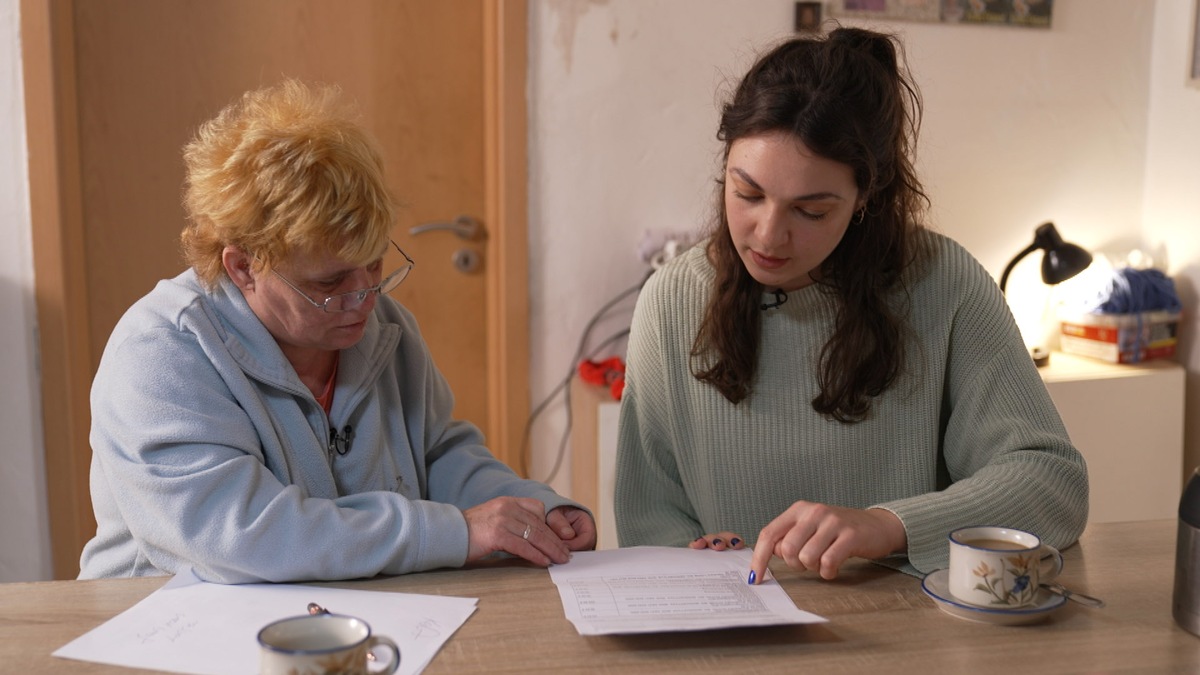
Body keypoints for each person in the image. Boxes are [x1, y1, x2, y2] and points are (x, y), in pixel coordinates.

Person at [613, 27, 1087, 584]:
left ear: (866, 197)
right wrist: (692, 559)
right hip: (732, 639)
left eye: (811, 211)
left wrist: (890, 525)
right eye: (747, 193)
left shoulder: (943, 284)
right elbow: (648, 520)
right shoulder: (672, 302)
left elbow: (1052, 483)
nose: (768, 235)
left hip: (905, 636)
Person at [79, 79, 595, 583]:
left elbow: (438, 453)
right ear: (242, 268)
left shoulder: (384, 326)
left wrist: (532, 514)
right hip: (160, 631)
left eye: (374, 265)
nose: (365, 297)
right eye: (328, 282)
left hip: (341, 612)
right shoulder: (159, 354)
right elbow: (245, 536)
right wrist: (454, 532)